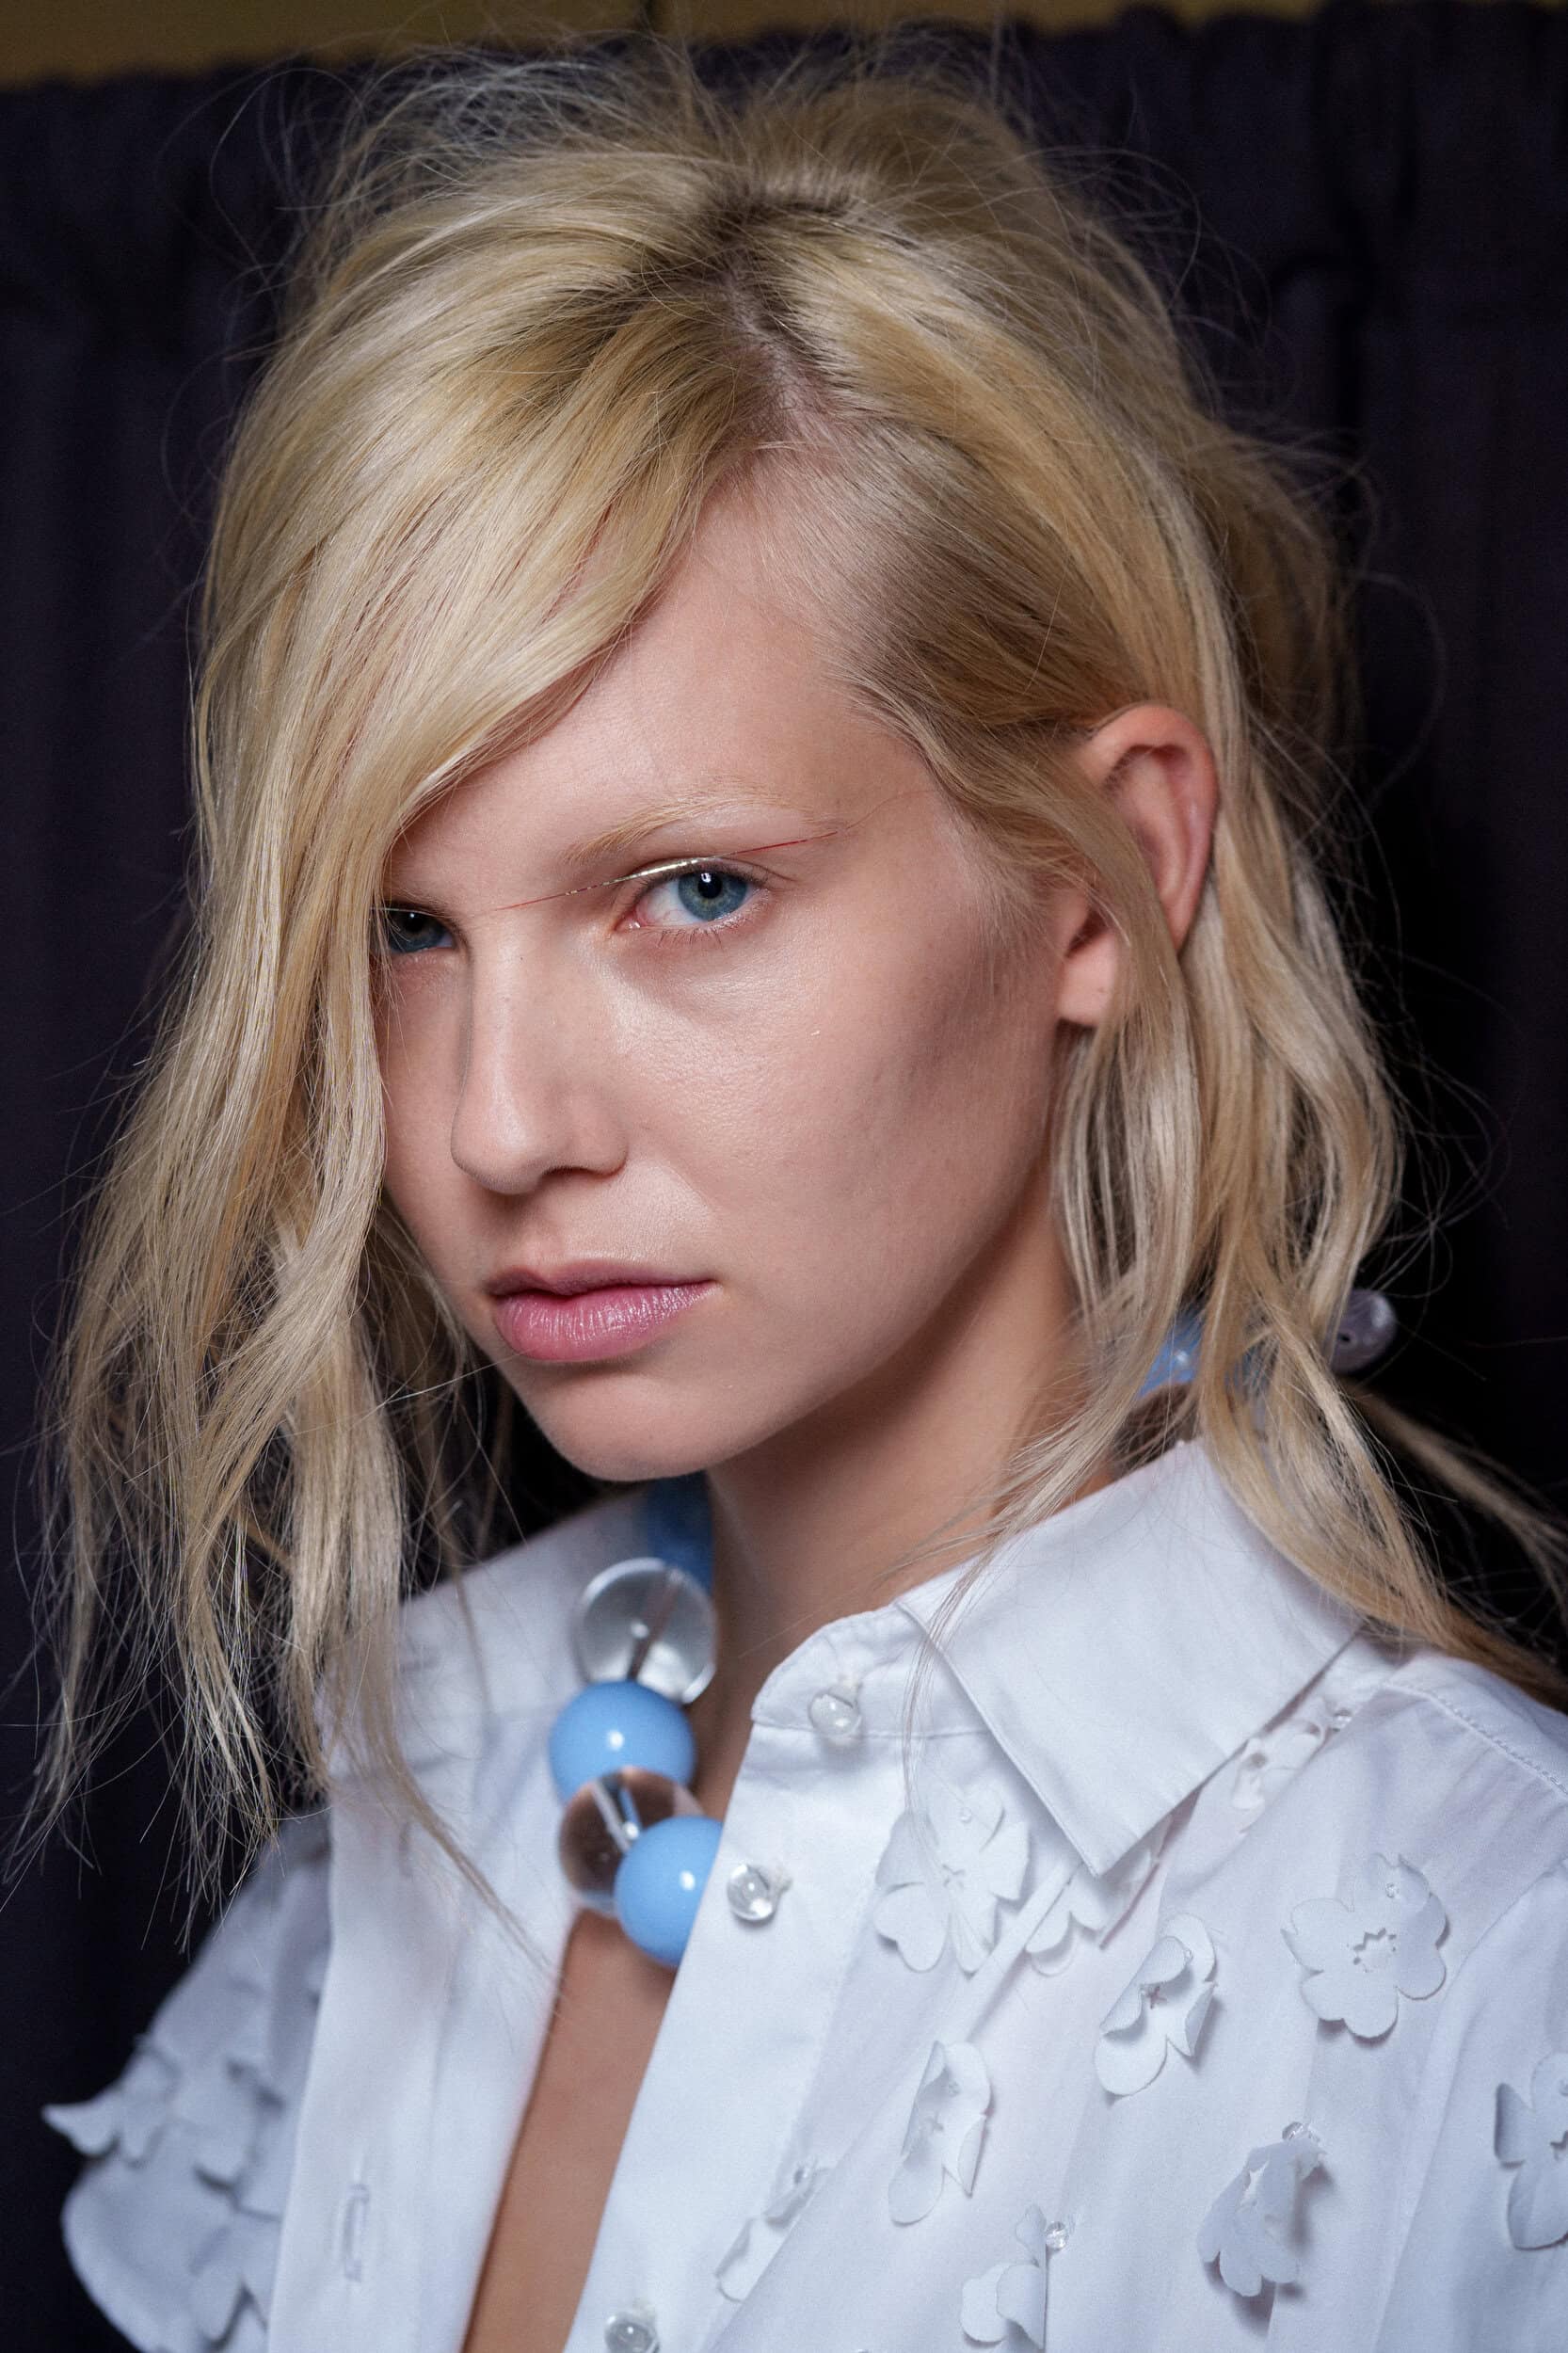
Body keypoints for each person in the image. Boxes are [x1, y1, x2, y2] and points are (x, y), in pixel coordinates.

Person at [30, 28, 1568, 2353]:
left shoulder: (1483, 1975)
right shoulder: (411, 1804)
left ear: (1105, 874)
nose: (493, 1124)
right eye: (406, 928)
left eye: (691, 890)